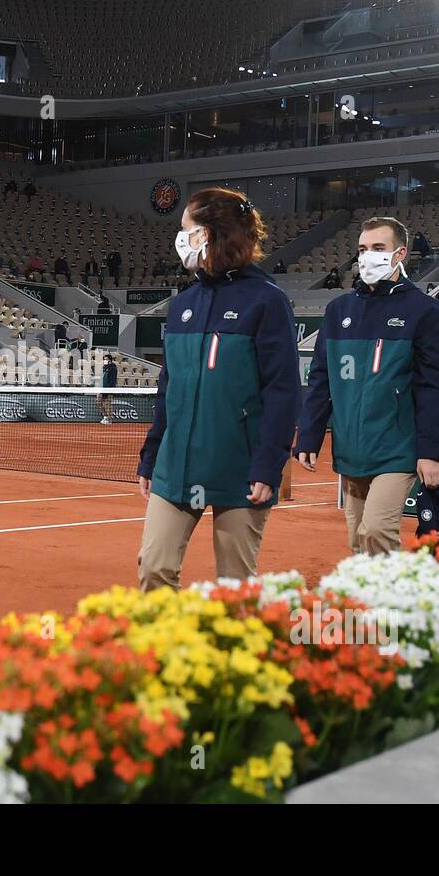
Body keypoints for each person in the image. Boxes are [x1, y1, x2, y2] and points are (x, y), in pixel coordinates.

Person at [137, 188, 301, 589]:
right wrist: (152, 454)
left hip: (241, 467)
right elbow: (168, 388)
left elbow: (282, 390)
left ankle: (232, 653)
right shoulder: (182, 305)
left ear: (209, 233)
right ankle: (165, 652)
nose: (180, 239)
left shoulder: (267, 301)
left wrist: (268, 464)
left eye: (186, 229)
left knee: (235, 588)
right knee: (154, 569)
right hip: (175, 465)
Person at [295, 216, 439, 555]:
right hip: (351, 448)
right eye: (363, 249)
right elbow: (321, 379)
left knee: (377, 530)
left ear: (400, 254)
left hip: (398, 448)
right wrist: (308, 433)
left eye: (378, 248)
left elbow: (432, 387)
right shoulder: (339, 310)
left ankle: (392, 605)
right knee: (358, 542)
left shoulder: (424, 311)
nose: (367, 256)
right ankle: (373, 606)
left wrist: (431, 452)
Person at [99, 352, 118, 424]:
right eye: (104, 359)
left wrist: (110, 388)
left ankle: (109, 419)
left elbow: (113, 379)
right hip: (103, 388)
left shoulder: (113, 367)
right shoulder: (104, 367)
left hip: (110, 388)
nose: (104, 360)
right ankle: (105, 416)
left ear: (110, 360)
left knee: (108, 403)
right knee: (98, 401)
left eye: (106, 359)